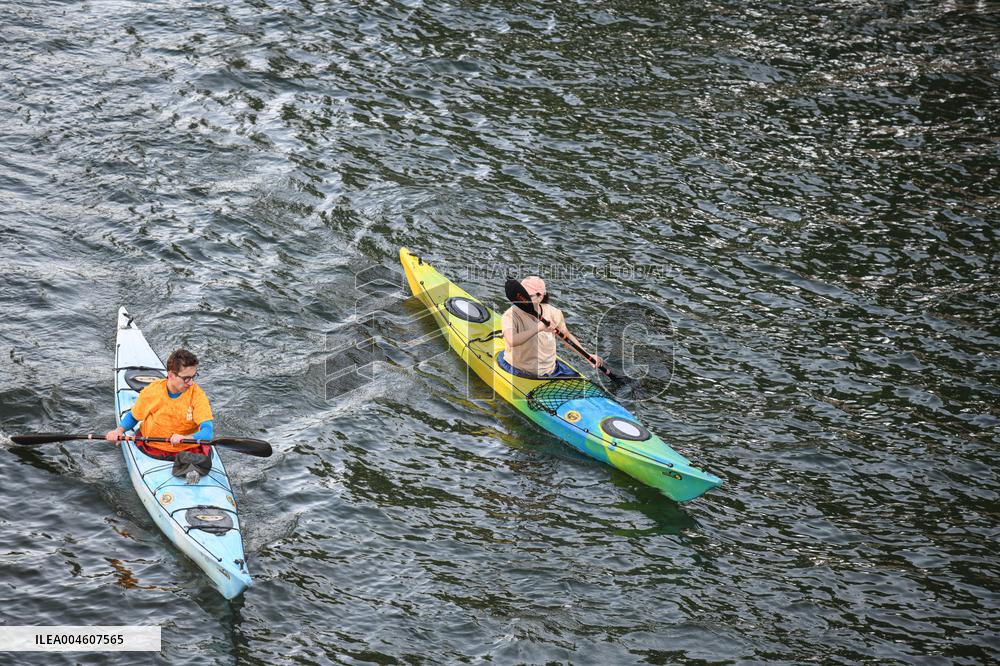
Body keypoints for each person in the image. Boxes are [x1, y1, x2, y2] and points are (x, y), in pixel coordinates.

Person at [106, 349, 214, 478]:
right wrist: (119, 430)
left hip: (186, 451)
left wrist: (187, 438)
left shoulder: (197, 395)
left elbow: (207, 431)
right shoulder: (153, 391)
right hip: (151, 448)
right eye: (186, 378)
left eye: (193, 377)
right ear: (171, 375)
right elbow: (133, 417)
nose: (191, 383)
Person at [500, 276, 603, 378]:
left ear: (541, 296)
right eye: (522, 295)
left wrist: (587, 356)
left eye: (528, 296)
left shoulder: (554, 313)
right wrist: (539, 328)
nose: (522, 300)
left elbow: (566, 337)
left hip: (551, 370)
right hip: (518, 370)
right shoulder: (510, 315)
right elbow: (511, 340)